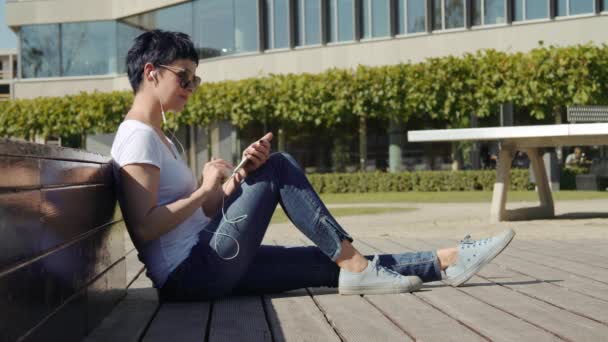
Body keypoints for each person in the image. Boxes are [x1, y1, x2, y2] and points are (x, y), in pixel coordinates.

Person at [111, 30, 515, 301]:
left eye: (194, 81)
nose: (190, 88)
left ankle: (448, 261)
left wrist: (234, 181)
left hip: (205, 258)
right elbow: (145, 227)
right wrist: (204, 188)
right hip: (190, 274)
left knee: (326, 260)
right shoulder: (138, 137)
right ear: (151, 72)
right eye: (185, 77)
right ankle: (358, 266)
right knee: (282, 166)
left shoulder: (161, 136)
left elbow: (203, 213)